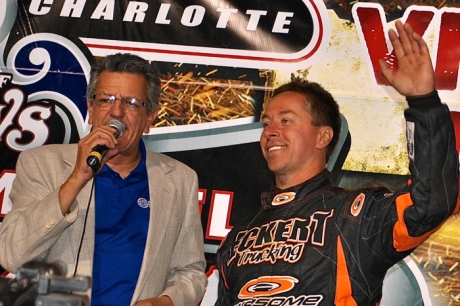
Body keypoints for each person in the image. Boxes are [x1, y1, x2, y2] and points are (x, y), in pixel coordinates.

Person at [214, 20, 459, 305]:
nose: (270, 131)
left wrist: (424, 103)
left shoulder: (355, 217)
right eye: (266, 123)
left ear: (323, 137)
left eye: (286, 121)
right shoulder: (239, 235)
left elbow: (430, 202)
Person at [0, 53, 207, 305]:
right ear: (90, 108)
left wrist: (164, 302)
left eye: (131, 102)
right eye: (105, 100)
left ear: (150, 117)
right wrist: (77, 177)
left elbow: (191, 270)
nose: (116, 112)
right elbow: (13, 255)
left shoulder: (179, 180)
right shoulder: (42, 164)